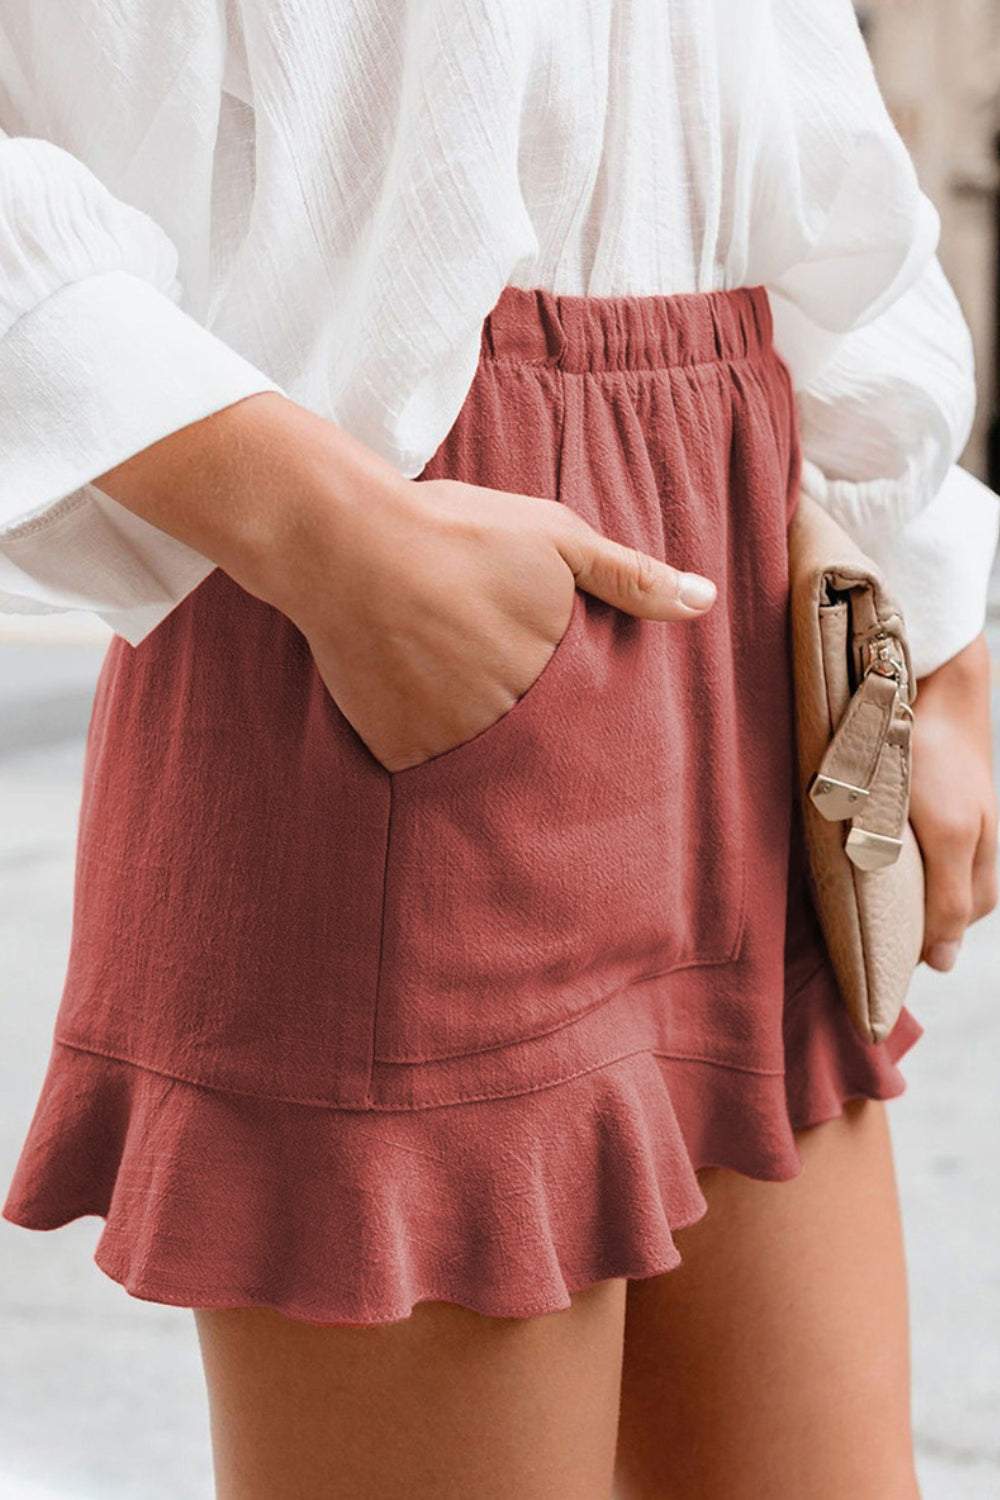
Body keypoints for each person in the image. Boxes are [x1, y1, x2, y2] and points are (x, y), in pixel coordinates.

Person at [1, 2, 997, 1496]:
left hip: (747, 596)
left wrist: (940, 626)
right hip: (396, 606)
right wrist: (336, 534)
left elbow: (801, 108)